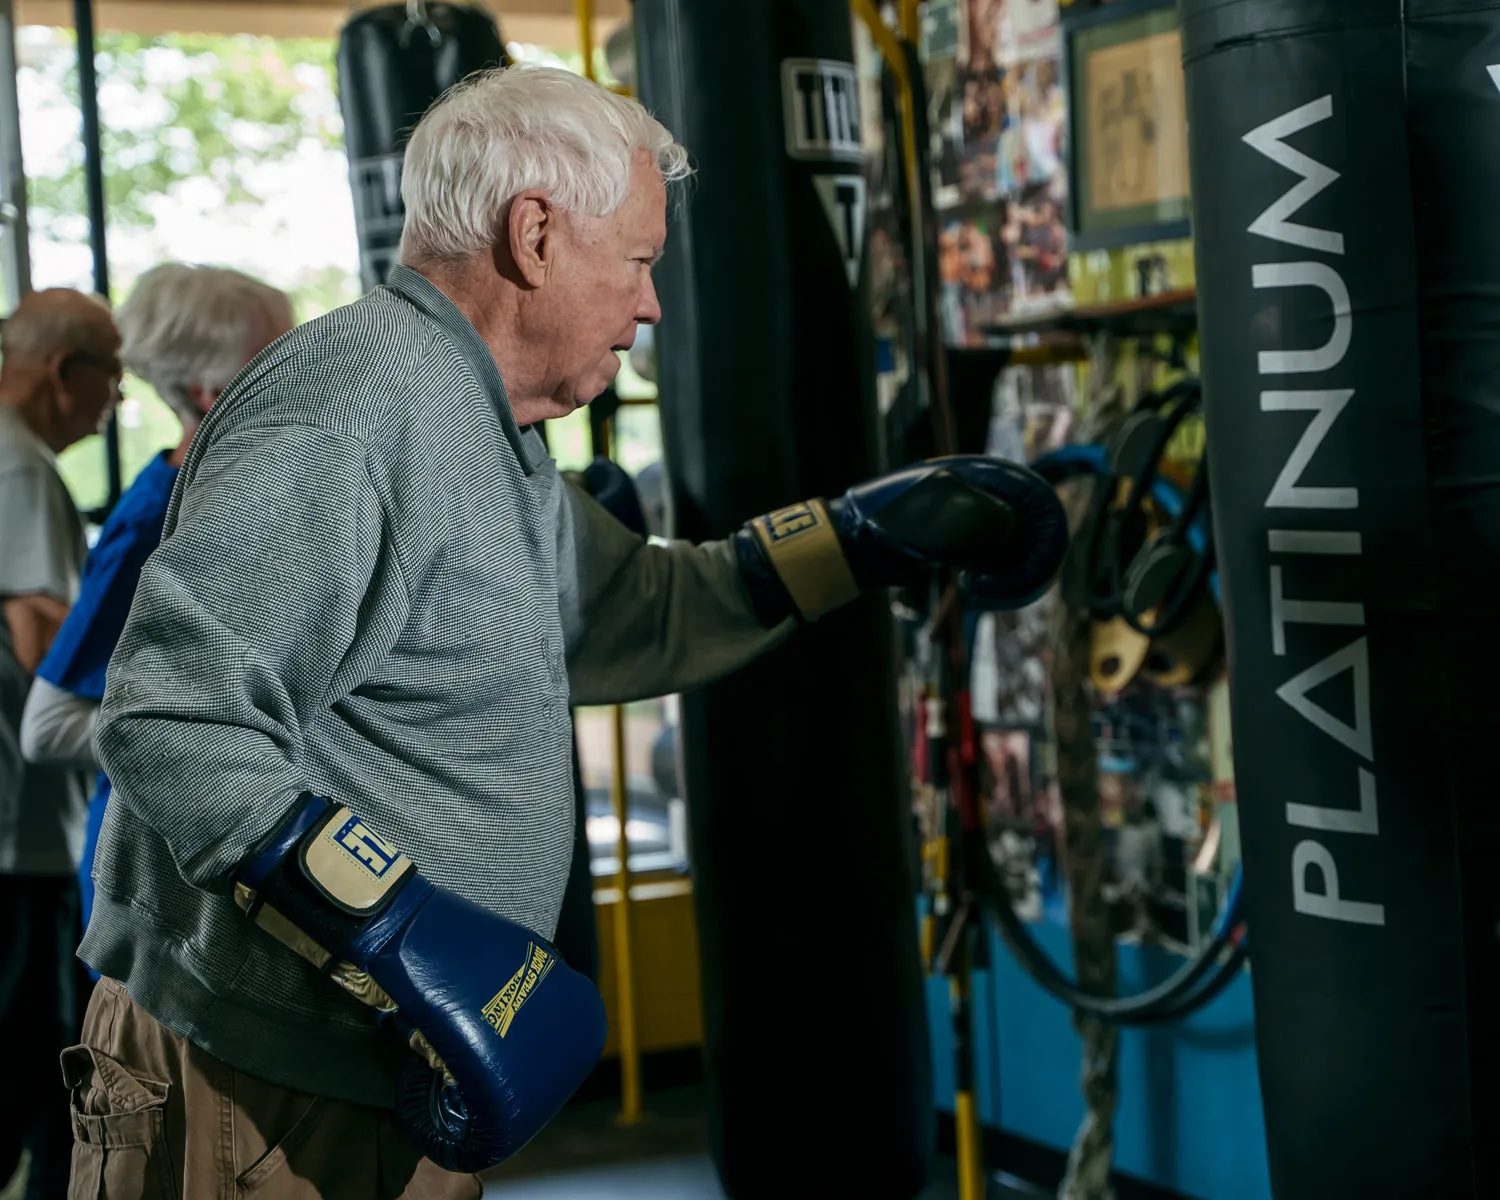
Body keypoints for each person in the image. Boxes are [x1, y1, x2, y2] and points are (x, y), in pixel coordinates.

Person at [74, 63, 1064, 1199]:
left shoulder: (486, 420)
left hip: (394, 1071)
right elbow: (169, 715)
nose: (651, 306)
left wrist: (853, 542)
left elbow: (623, 614)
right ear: (535, 235)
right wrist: (397, 930)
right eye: (639, 262)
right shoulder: (351, 407)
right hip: (259, 1088)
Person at [19, 263, 295, 945]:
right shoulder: (152, 520)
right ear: (207, 391)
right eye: (276, 361)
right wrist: (217, 747)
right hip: (150, 902)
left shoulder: (255, 497)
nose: (303, 378)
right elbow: (47, 726)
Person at [0, 288, 121, 1200]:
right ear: (61, 374)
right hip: (24, 835)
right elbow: (44, 637)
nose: (117, 394)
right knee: (39, 1067)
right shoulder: (21, 469)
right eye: (111, 372)